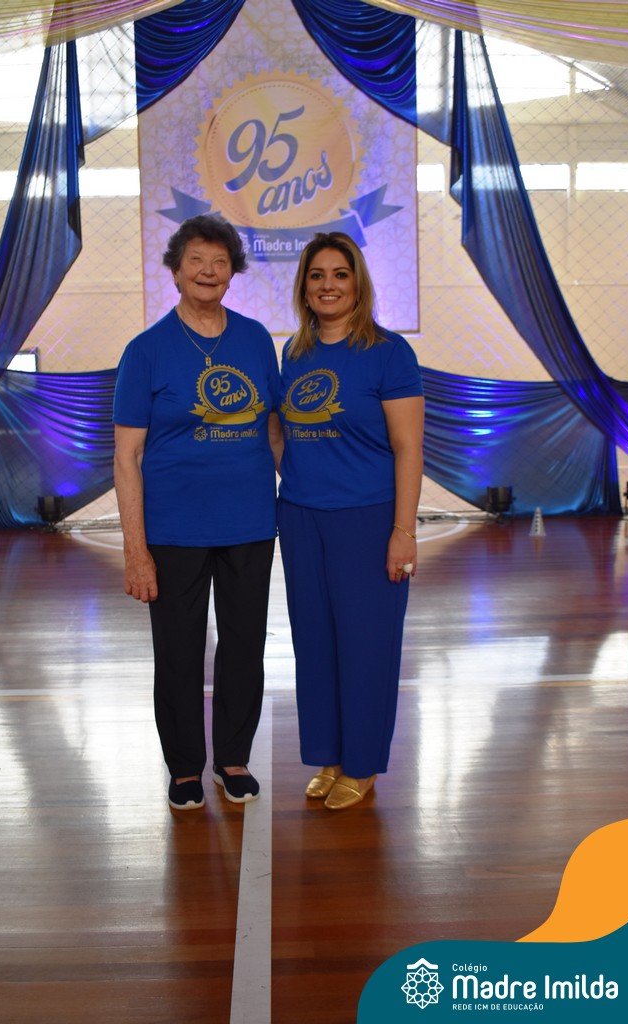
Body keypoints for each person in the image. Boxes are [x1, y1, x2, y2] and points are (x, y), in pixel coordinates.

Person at [113, 214, 283, 811]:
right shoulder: (146, 351)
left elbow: (274, 430)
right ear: (176, 270)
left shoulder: (256, 340)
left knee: (245, 645)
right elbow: (127, 457)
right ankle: (185, 766)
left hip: (250, 524)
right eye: (196, 261)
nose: (208, 272)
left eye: (220, 262)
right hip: (174, 530)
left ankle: (232, 758)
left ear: (232, 272)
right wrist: (135, 550)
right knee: (179, 651)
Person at [277, 232, 425, 810]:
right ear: (304, 287)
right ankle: (330, 756)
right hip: (302, 517)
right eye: (317, 275)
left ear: (357, 283)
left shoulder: (389, 353)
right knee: (315, 643)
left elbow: (409, 448)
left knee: (366, 645)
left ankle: (361, 765)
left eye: (340, 274)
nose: (328, 285)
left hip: (367, 520)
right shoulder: (294, 354)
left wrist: (403, 531)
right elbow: (281, 433)